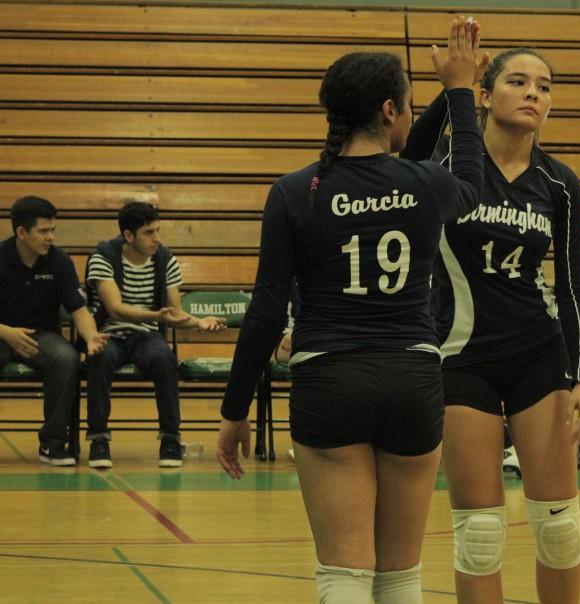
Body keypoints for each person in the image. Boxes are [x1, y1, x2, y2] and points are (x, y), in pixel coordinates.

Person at [215, 17, 484, 604]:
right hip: (411, 379)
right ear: (390, 110)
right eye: (410, 106)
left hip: (328, 379)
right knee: (399, 575)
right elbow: (471, 178)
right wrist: (459, 93)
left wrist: (234, 411)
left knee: (344, 573)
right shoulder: (423, 184)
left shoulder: (294, 190)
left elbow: (264, 310)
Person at [403, 47, 580, 604]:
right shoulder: (447, 167)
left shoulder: (559, 184)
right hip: (461, 357)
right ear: (486, 96)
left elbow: (572, 287)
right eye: (518, 81)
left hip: (538, 355)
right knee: (482, 533)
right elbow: (408, 153)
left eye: (545, 85)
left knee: (560, 527)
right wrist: (452, 86)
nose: (535, 92)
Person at [85, 201, 226, 468]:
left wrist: (199, 322)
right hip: (109, 332)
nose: (156, 239)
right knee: (99, 358)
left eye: (158, 230)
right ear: (129, 235)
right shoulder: (103, 257)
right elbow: (115, 309)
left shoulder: (165, 259)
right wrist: (157, 316)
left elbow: (173, 313)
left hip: (146, 336)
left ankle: (171, 440)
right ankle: (99, 441)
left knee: (165, 360)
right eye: (149, 232)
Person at [0, 196, 108, 465]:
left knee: (66, 358)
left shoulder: (59, 261)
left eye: (53, 231)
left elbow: (78, 309)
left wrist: (91, 336)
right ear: (21, 232)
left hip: (42, 336)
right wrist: (7, 333)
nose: (50, 237)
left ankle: (53, 443)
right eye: (43, 231)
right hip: (1, 333)